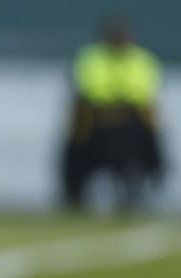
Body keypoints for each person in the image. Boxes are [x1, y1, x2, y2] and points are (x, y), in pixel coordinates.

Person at [61, 17, 164, 212]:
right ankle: (74, 194)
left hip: (131, 120)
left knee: (147, 137)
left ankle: (141, 188)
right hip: (98, 119)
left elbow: (145, 93)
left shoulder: (142, 59)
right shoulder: (91, 58)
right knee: (77, 141)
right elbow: (87, 88)